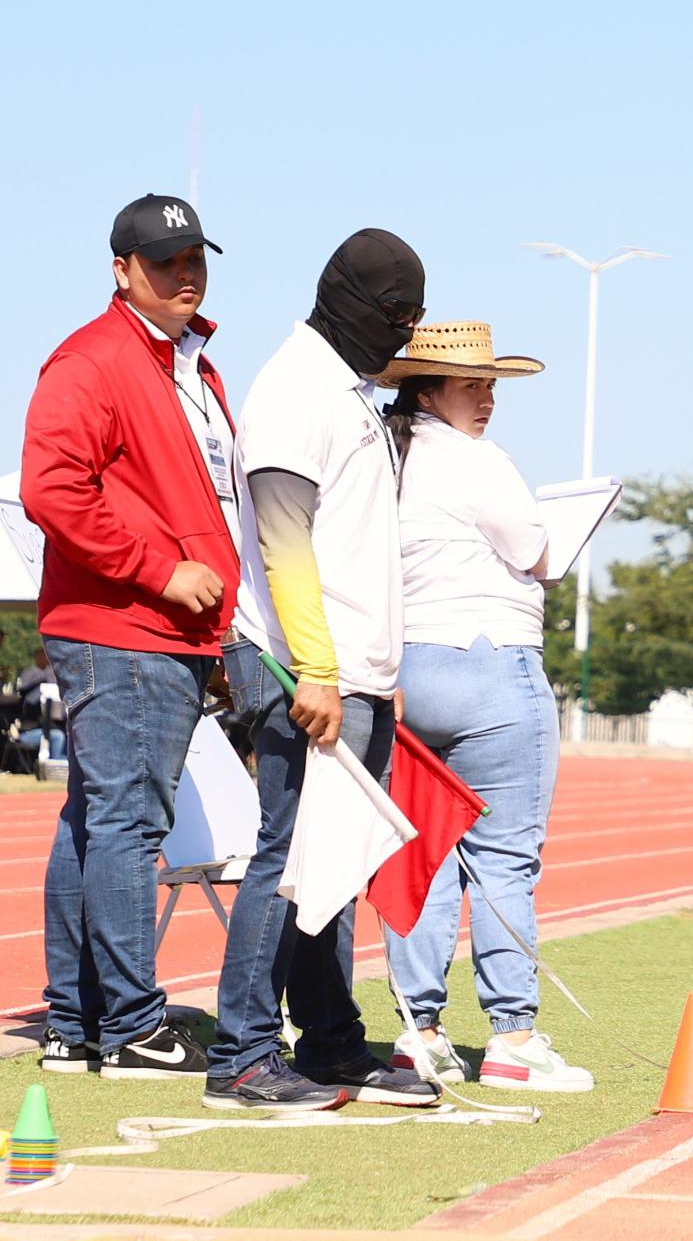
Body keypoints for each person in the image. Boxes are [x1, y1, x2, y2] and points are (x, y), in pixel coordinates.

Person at [205, 229, 439, 1113]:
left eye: (412, 318)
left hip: (354, 675)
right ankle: (240, 1058)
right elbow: (284, 540)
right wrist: (319, 671)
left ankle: (332, 1044)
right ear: (344, 300)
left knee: (332, 869)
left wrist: (376, 670)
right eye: (391, 315)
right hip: (305, 672)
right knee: (290, 858)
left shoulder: (346, 392)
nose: (401, 332)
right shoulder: (298, 389)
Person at [21, 194, 239, 1077]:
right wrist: (159, 572)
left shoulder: (185, 362)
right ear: (122, 270)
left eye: (194, 258)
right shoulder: (94, 360)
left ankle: (78, 1024)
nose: (184, 273)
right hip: (125, 625)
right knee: (123, 826)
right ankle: (131, 1024)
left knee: (94, 822)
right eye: (163, 261)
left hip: (161, 631)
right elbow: (53, 489)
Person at [376, 323, 593, 1093]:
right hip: (491, 662)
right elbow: (536, 548)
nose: (489, 399)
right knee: (504, 861)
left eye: (491, 386)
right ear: (429, 388)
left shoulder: (384, 456)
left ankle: (418, 1032)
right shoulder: (476, 459)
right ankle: (513, 1037)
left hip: (409, 669)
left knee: (423, 859)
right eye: (475, 386)